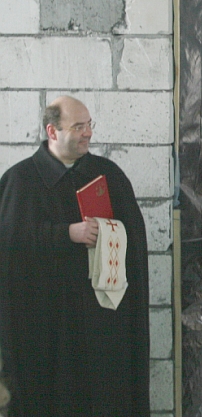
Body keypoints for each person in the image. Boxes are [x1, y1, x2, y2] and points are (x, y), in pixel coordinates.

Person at [0, 95, 150, 416]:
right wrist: (66, 234)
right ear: (52, 131)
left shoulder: (108, 174)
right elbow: (10, 246)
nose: (88, 133)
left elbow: (135, 239)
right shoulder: (20, 180)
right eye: (78, 127)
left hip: (101, 320)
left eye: (89, 124)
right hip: (44, 321)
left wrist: (109, 231)